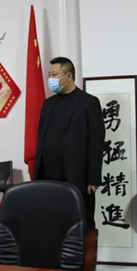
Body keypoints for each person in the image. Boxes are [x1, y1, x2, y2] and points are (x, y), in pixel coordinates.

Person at [34, 57, 105, 229]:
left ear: (69, 77)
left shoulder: (89, 102)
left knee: (80, 221)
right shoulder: (48, 104)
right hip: (47, 175)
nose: (51, 79)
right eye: (49, 75)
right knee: (51, 221)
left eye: (55, 74)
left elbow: (96, 141)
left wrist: (93, 177)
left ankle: (84, 247)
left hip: (76, 175)